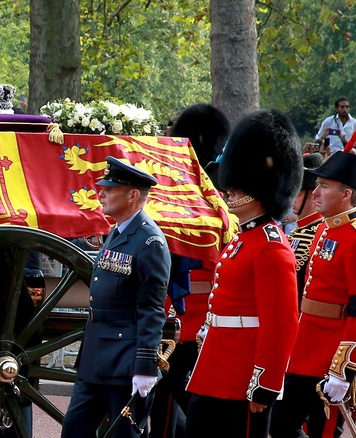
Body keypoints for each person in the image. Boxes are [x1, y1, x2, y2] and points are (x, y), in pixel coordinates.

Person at [184, 109, 302, 438]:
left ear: (261, 186)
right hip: (214, 368)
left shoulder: (272, 247)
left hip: (243, 377)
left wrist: (265, 383)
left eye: (237, 186)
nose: (230, 191)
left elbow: (281, 324)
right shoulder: (243, 238)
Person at [270, 151, 356, 437]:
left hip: (333, 356)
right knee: (282, 424)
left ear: (346, 194)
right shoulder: (324, 230)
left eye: (324, 186)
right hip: (305, 348)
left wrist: (343, 368)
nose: (316, 192)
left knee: (325, 431)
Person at [61, 156, 170, 438]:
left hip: (125, 362)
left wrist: (145, 367)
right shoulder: (118, 231)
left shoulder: (150, 242)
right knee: (73, 431)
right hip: (96, 357)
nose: (102, 194)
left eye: (110, 189)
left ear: (133, 195)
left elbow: (151, 309)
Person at [149, 103, 230, 438]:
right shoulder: (201, 186)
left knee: (175, 401)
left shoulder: (206, 188)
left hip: (188, 316)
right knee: (165, 404)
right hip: (180, 312)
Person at [288, 153, 324, 301]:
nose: (292, 199)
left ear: (312, 195)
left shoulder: (320, 232)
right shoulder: (298, 230)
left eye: (297, 193)